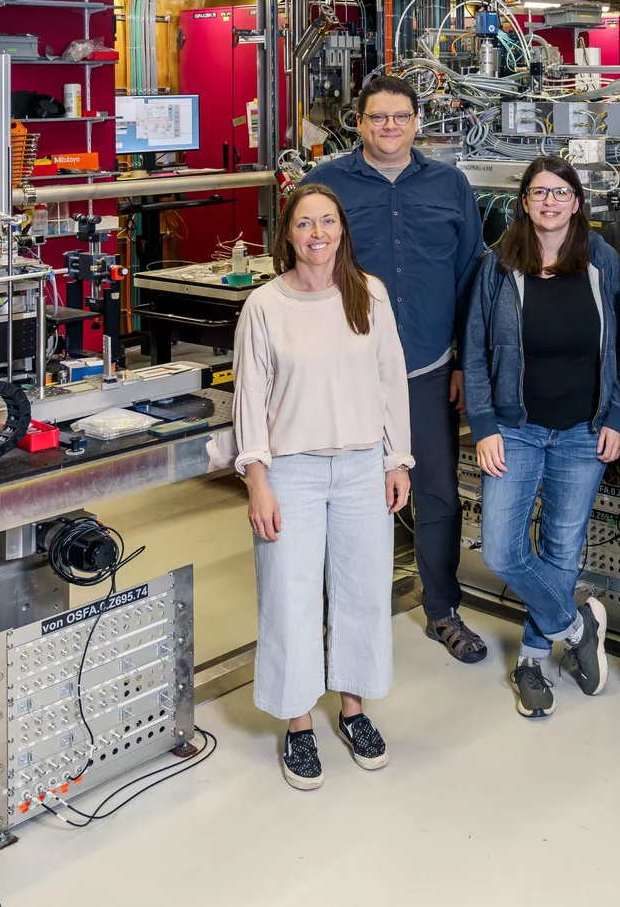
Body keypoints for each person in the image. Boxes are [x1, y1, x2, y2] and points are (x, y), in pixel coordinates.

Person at [231, 183, 413, 791]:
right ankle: (299, 723)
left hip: (363, 466)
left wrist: (398, 460)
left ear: (342, 229)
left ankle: (355, 711)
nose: (317, 234)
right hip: (293, 472)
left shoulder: (369, 293)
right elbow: (250, 400)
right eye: (305, 224)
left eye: (327, 222)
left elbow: (392, 383)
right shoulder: (264, 306)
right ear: (287, 234)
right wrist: (258, 479)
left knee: (363, 591)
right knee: (290, 598)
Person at [309, 76, 489, 665]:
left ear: (417, 122)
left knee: (436, 493)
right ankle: (346, 614)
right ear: (358, 123)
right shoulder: (326, 185)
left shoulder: (450, 185)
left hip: (430, 367)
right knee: (350, 496)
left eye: (401, 116)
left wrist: (465, 358)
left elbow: (470, 280)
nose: (390, 126)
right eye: (378, 117)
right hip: (349, 372)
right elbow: (303, 272)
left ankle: (442, 610)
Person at [463, 156, 620, 719]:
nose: (550, 202)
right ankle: (577, 623)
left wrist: (617, 417)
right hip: (517, 429)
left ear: (577, 202)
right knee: (504, 550)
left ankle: (532, 659)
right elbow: (477, 353)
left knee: (560, 550)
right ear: (524, 204)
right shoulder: (501, 265)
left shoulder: (602, 260)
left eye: (560, 193)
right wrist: (484, 424)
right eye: (539, 193)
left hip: (584, 432)